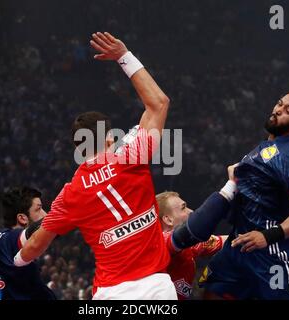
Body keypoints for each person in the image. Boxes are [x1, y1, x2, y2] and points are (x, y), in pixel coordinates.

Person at [13, 32, 175, 300]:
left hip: (109, 294)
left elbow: (36, 245)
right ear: (110, 138)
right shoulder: (132, 156)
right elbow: (159, 104)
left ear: (79, 148)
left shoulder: (70, 194)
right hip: (156, 287)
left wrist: (15, 261)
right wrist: (124, 56)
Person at [199, 67, 289, 299]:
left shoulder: (285, 156)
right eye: (280, 104)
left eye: (288, 110)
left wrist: (268, 236)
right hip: (238, 245)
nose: (278, 110)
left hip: (270, 252)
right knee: (212, 293)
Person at [156, 190, 227, 299]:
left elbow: (231, 240)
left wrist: (261, 235)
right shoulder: (159, 244)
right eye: (183, 208)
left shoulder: (192, 244)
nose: (191, 211)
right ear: (168, 219)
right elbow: (181, 236)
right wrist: (229, 189)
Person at [0, 187, 56, 300]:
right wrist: (64, 215)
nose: (45, 214)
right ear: (22, 218)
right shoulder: (8, 239)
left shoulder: (2, 241)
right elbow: (34, 232)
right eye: (38, 209)